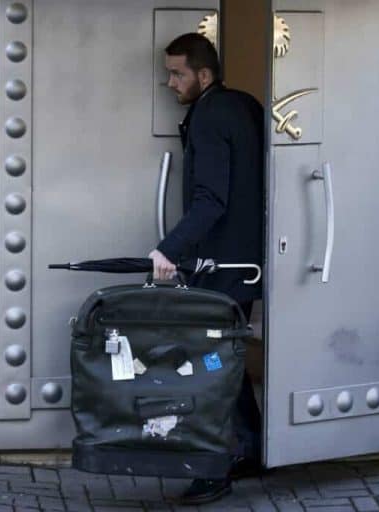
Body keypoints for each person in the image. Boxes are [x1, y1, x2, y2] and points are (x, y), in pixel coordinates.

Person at [148, 32, 265, 505]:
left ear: (204, 73)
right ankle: (248, 450)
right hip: (243, 263)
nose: (170, 83)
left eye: (177, 74)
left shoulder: (210, 116)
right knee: (227, 363)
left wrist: (168, 249)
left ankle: (215, 468)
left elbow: (211, 199)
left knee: (210, 367)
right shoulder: (244, 106)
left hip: (220, 267)